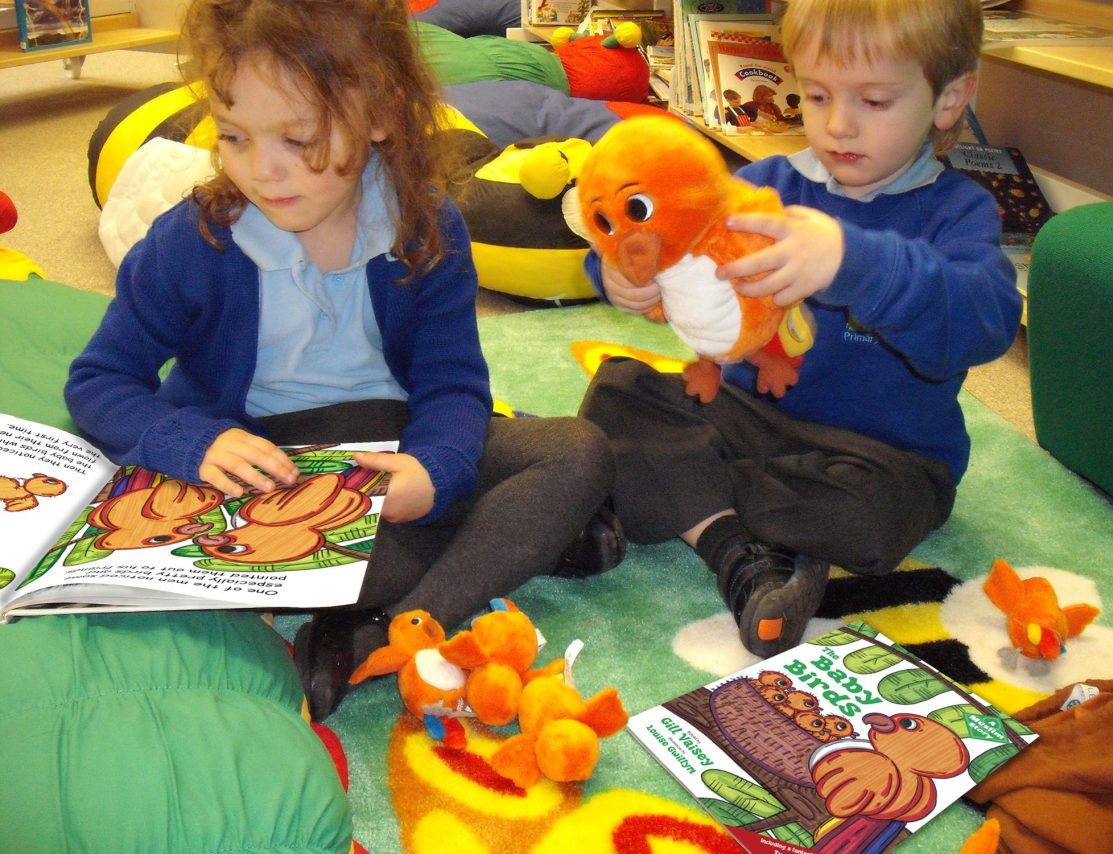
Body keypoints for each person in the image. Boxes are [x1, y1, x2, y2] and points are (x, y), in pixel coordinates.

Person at [65, 0, 623, 720]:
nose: (262, 169)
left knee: (577, 451)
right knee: (230, 565)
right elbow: (101, 381)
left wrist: (434, 470)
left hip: (394, 448)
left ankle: (392, 627)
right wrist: (193, 443)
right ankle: (498, 554)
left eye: (298, 138)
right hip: (271, 472)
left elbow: (452, 387)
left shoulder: (427, 225)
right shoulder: (192, 241)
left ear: (380, 114)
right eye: (234, 136)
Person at [578, 0, 1021, 657]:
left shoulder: (958, 212)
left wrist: (853, 263)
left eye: (874, 100)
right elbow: (661, 229)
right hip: (748, 418)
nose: (838, 124)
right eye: (816, 95)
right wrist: (616, 274)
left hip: (882, 459)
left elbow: (984, 323)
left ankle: (687, 502)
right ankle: (740, 552)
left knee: (869, 518)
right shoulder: (765, 187)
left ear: (949, 99)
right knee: (619, 392)